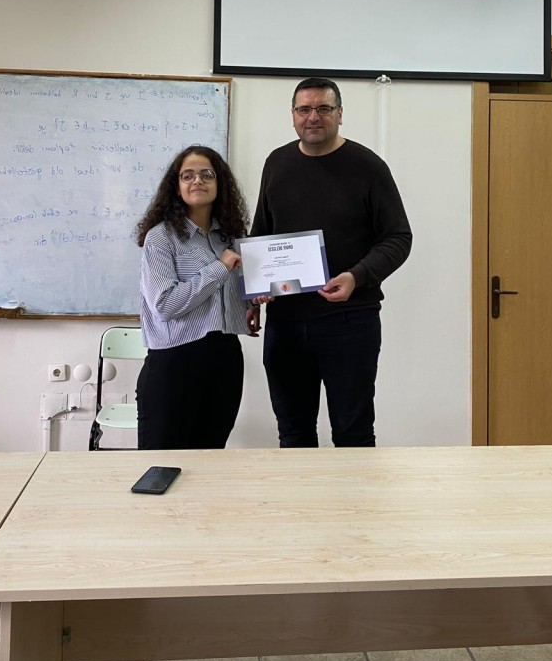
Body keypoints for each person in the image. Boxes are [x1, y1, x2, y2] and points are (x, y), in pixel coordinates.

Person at [249, 77, 412, 448]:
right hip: (286, 324)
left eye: (323, 108)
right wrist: (253, 294)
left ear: (340, 114)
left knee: (353, 434)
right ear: (293, 115)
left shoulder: (369, 167)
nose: (313, 117)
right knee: (293, 434)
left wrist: (357, 276)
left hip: (350, 322)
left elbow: (399, 237)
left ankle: (354, 492)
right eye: (304, 109)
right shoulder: (277, 163)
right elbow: (262, 234)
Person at [135, 145, 256, 450]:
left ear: (220, 183)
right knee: (162, 462)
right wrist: (219, 268)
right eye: (187, 175)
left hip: (225, 357)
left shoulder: (230, 238)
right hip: (175, 361)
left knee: (210, 459)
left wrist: (253, 301)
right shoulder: (161, 237)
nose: (197, 181)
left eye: (207, 175)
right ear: (176, 186)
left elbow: (227, 298)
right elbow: (165, 305)